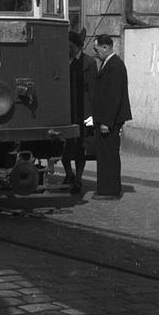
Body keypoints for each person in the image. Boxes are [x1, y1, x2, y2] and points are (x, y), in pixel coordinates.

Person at [92, 34, 132, 199]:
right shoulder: (108, 64)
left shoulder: (115, 66)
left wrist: (106, 122)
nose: (96, 53)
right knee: (105, 155)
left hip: (109, 121)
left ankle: (109, 190)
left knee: (108, 156)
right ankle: (106, 188)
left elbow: (114, 97)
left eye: (97, 50)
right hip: (106, 119)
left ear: (105, 47)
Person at [63, 30, 97, 194]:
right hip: (67, 111)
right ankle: (68, 174)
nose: (68, 49)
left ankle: (78, 178)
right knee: (65, 148)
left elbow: (92, 90)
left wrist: (91, 115)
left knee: (80, 149)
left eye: (71, 47)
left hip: (82, 111)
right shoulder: (63, 60)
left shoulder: (88, 62)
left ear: (78, 46)